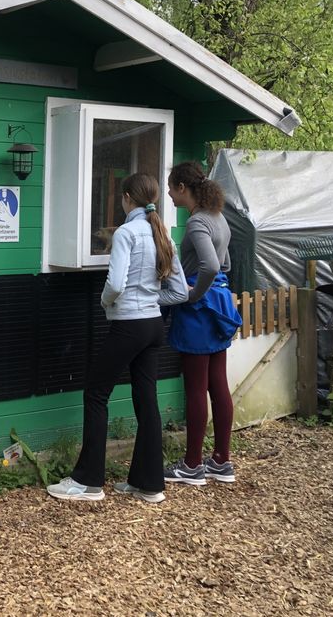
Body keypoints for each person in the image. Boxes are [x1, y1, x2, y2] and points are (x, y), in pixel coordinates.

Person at [47, 173, 188, 505]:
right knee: (146, 399)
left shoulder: (126, 233)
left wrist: (107, 302)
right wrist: (151, 301)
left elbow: (116, 284)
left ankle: (88, 482)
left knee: (96, 393)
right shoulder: (162, 232)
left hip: (129, 325)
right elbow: (180, 291)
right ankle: (149, 484)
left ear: (127, 198)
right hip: (154, 326)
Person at [163, 161, 243, 487]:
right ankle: (221, 460)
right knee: (217, 384)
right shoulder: (218, 217)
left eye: (171, 187)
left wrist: (193, 293)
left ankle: (193, 464)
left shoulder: (197, 222)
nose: (168, 194)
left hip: (200, 309)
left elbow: (210, 264)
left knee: (195, 388)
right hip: (220, 303)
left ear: (183, 188)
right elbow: (224, 263)